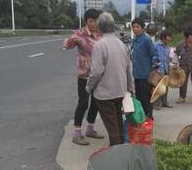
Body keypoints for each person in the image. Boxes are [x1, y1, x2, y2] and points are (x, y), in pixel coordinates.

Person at [87, 12, 135, 146]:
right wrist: (131, 88)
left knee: (112, 127)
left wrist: (89, 87)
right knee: (118, 122)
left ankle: (117, 153)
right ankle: (120, 147)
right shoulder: (122, 45)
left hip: (104, 94)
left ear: (99, 27)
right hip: (120, 90)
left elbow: (96, 72)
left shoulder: (99, 45)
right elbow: (128, 69)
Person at [63, 9, 104, 146]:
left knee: (97, 103)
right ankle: (77, 133)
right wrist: (71, 40)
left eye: (95, 21)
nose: (93, 23)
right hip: (84, 74)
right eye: (91, 21)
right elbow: (67, 45)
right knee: (83, 103)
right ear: (86, 21)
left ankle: (90, 129)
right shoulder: (80, 34)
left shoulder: (100, 33)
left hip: (98, 74)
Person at [131, 18, 157, 119]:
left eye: (137, 27)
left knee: (146, 99)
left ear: (142, 28)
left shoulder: (146, 40)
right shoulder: (135, 40)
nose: (135, 29)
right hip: (136, 74)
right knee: (139, 98)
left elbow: (154, 55)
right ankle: (142, 117)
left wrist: (154, 72)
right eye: (133, 27)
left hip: (146, 75)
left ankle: (149, 118)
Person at [175, 28, 192, 105]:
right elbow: (176, 55)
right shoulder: (180, 45)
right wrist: (175, 64)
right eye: (190, 37)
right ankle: (182, 97)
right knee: (183, 81)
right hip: (183, 66)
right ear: (186, 37)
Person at [153, 30, 173, 110]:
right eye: (168, 39)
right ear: (163, 38)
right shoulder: (156, 45)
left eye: (170, 39)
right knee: (157, 87)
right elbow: (153, 57)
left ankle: (164, 102)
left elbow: (168, 57)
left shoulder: (168, 46)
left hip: (166, 68)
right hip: (158, 69)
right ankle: (156, 103)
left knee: (165, 86)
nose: (169, 40)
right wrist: (155, 68)